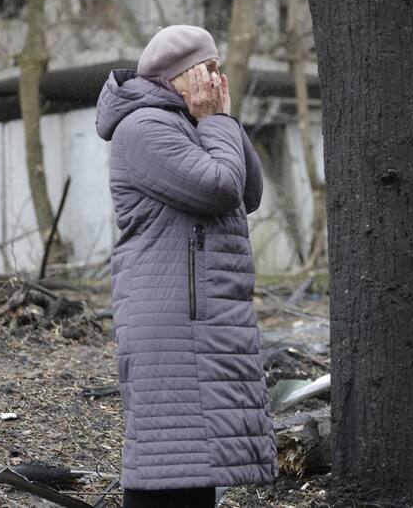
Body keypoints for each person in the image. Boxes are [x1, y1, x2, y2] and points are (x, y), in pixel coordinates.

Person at [95, 25, 278, 507]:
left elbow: (250, 192)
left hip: (203, 317)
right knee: (168, 462)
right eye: (207, 70)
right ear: (178, 76)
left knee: (196, 464)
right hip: (173, 321)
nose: (216, 80)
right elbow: (219, 187)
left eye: (219, 69)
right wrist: (216, 122)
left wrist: (223, 120)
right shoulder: (141, 128)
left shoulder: (192, 122)